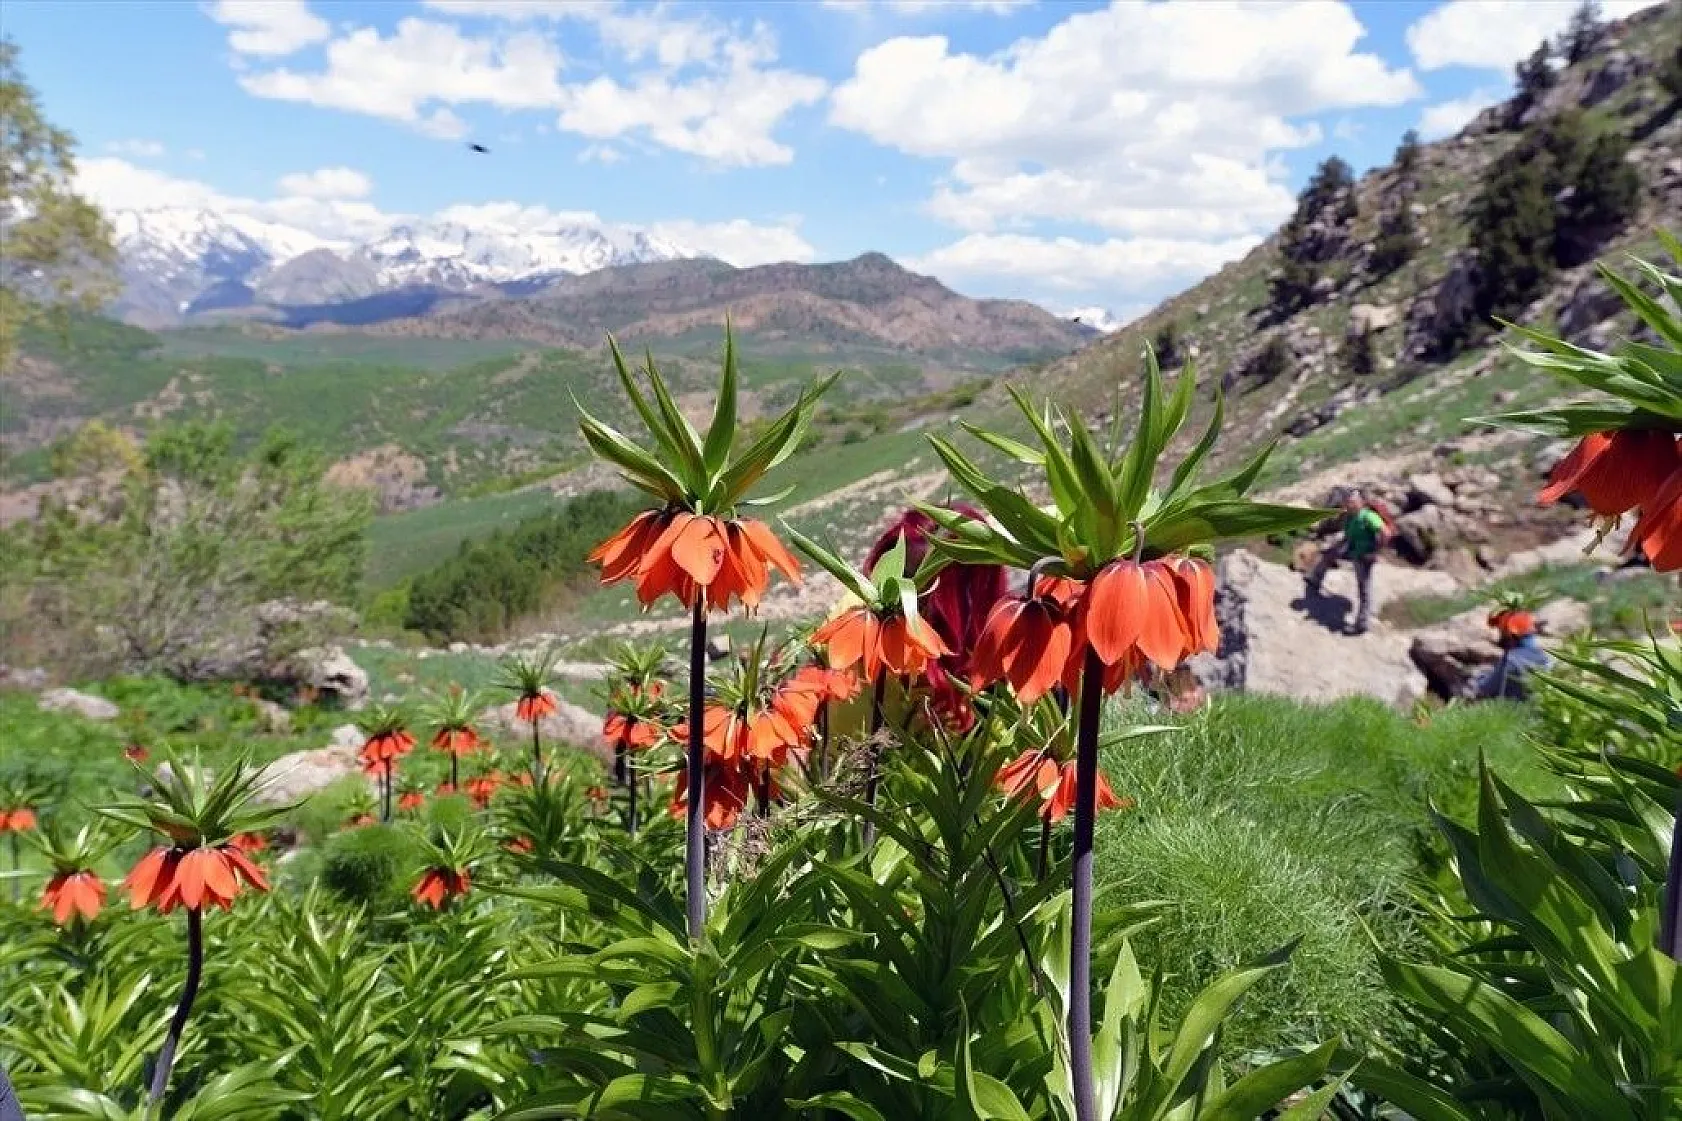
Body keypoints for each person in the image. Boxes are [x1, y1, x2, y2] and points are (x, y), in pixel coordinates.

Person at [1305, 488, 1388, 634]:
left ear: (1361, 502)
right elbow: (1348, 534)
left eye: (1353, 502)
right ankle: (1315, 579)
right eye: (1349, 502)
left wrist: (1375, 552)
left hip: (1364, 555)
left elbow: (1385, 532)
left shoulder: (1368, 516)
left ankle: (1362, 624)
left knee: (1364, 588)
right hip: (1351, 547)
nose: (1350, 504)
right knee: (1328, 555)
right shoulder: (1350, 516)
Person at [1475, 609, 1553, 701]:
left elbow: (1487, 689)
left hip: (1513, 710)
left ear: (1510, 633)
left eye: (1501, 631)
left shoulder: (1510, 660)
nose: (1500, 635)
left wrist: (1480, 676)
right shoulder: (1545, 659)